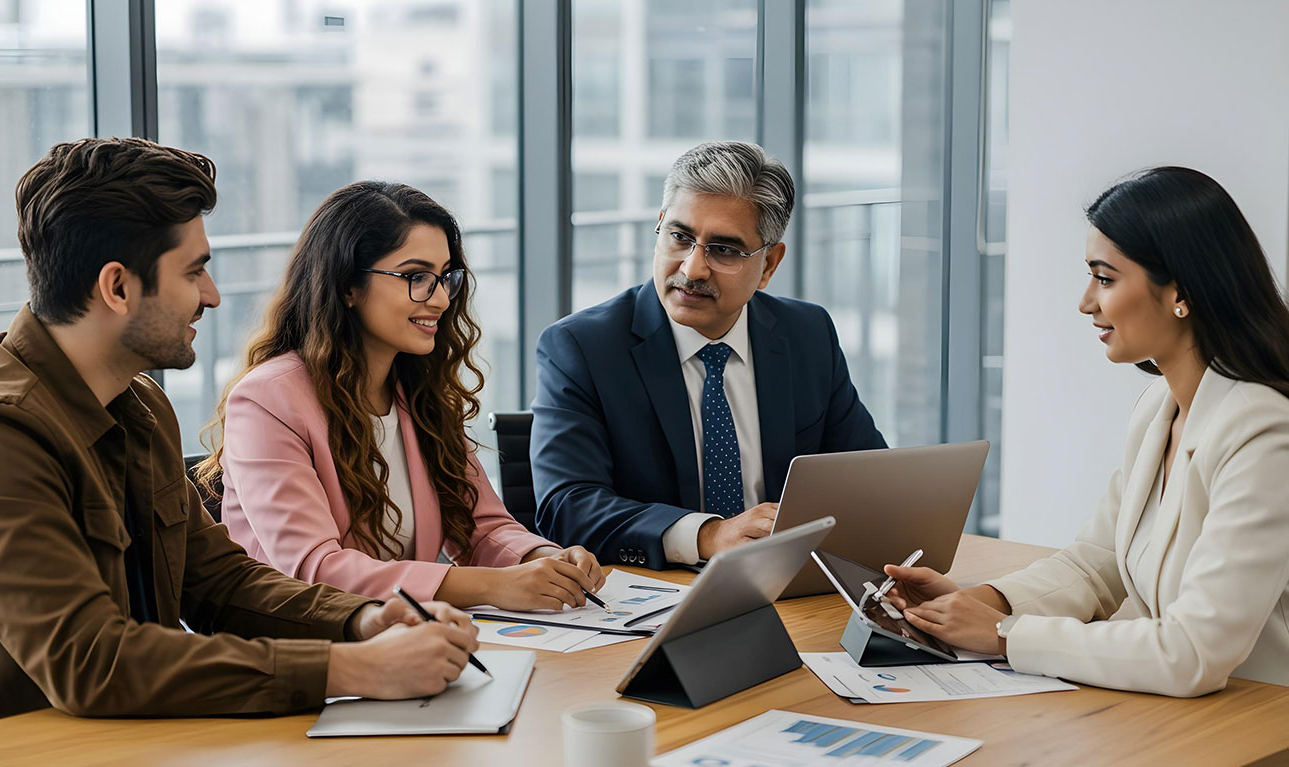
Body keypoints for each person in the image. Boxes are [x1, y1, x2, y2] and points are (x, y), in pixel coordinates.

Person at [0, 139, 479, 736]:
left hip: (136, 738)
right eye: (193, 272)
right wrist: (355, 668)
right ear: (117, 287)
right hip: (11, 752)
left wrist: (363, 621)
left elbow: (219, 583)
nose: (211, 295)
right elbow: (92, 662)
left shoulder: (141, 406)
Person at [882, 167, 1289, 696]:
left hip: (1255, 718)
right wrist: (978, 603)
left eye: (1105, 278)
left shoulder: (1264, 435)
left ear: (1180, 291)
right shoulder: (1159, 409)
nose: (1086, 302)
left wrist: (1005, 634)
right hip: (1172, 712)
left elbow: (1193, 651)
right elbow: (1097, 565)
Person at [197, 181, 604, 611]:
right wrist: (492, 586)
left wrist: (543, 559)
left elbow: (482, 527)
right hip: (303, 640)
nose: (441, 298)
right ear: (347, 286)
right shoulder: (267, 400)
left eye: (444, 277)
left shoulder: (418, 392)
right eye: (416, 277)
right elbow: (315, 570)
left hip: (408, 635)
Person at [531, 141, 885, 570]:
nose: (692, 269)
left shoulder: (806, 334)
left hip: (788, 587)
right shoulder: (582, 348)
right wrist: (708, 535)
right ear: (659, 228)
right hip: (660, 591)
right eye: (680, 237)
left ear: (769, 265)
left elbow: (870, 481)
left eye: (725, 250)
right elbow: (567, 507)